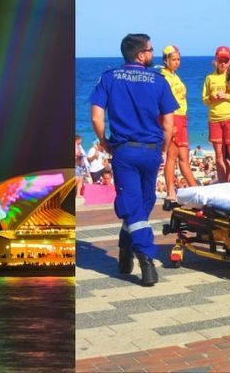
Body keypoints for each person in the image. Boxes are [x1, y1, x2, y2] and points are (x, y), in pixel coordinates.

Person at [90, 33, 178, 287]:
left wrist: (102, 140)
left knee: (138, 205)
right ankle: (146, 259)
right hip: (150, 149)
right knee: (140, 203)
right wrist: (164, 146)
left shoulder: (109, 78)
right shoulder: (159, 81)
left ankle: (126, 247)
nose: (153, 54)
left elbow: (97, 117)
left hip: (125, 150)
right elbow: (169, 122)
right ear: (141, 55)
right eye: (150, 50)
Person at [155, 45, 200, 210]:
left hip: (182, 117)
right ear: (166, 59)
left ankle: (195, 188)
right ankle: (170, 191)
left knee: (183, 156)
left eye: (178, 59)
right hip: (172, 117)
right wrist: (170, 124)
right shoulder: (163, 76)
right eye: (173, 59)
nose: (177, 62)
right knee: (172, 155)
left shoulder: (174, 76)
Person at [202, 46, 230, 183]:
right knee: (219, 154)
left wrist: (226, 96)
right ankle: (222, 182)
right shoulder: (210, 77)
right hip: (214, 119)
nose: (223, 63)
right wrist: (211, 98)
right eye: (220, 60)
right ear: (216, 59)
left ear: (229, 61)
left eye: (225, 61)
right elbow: (204, 99)